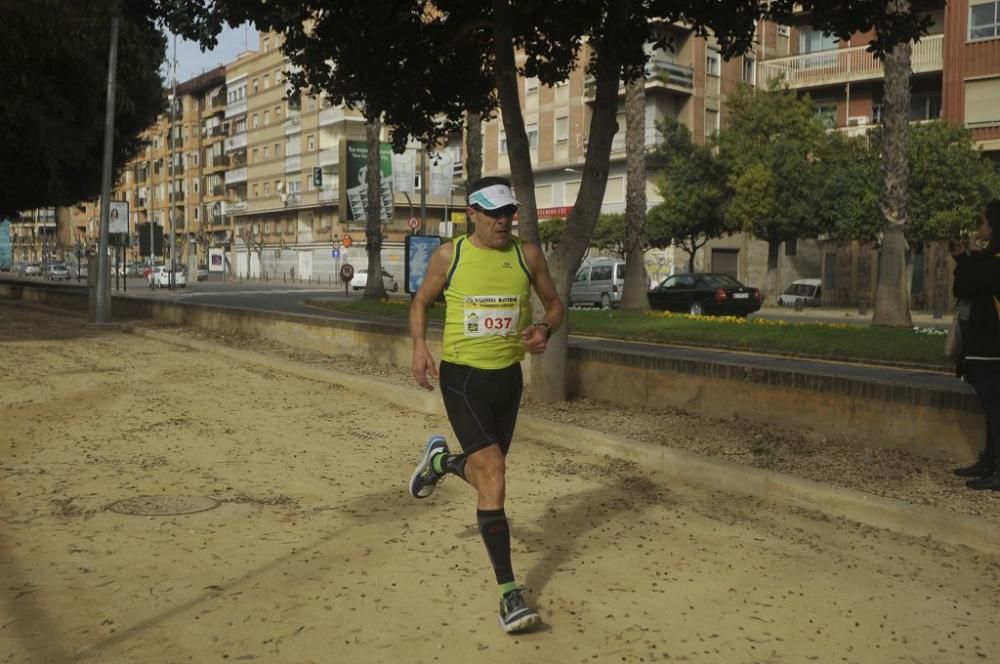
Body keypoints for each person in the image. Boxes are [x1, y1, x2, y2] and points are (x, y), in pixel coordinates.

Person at [407, 177, 564, 633]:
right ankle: (508, 594)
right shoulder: (449, 256)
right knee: (494, 473)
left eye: (508, 212)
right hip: (463, 379)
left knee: (484, 475)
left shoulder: (526, 254)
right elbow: (420, 300)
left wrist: (545, 331)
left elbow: (554, 304)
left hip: (508, 381)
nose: (503, 221)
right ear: (471, 213)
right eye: (494, 213)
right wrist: (419, 346)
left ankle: (439, 462)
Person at [951, 199, 1000, 490]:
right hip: (987, 347)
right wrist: (966, 258)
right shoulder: (986, 259)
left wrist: (965, 260)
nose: (979, 227)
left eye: (983, 222)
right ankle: (989, 458)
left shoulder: (992, 262)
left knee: (995, 407)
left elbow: (965, 287)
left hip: (990, 347)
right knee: (991, 406)